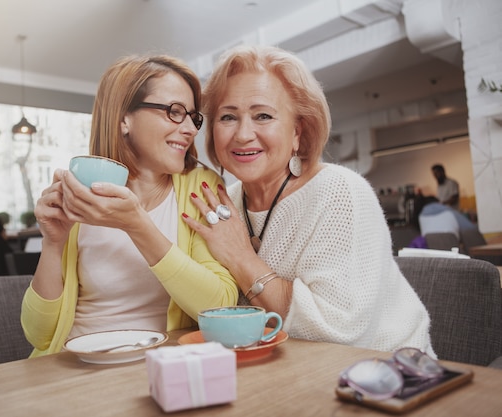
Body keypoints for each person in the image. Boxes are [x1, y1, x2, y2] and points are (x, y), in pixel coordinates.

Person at [183, 44, 435, 355]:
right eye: (228, 117)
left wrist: (241, 257)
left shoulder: (340, 192)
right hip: (277, 368)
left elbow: (336, 332)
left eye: (263, 115)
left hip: (384, 374)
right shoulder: (221, 203)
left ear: (297, 132)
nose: (243, 134)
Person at [20, 54, 238, 357]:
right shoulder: (82, 192)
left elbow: (220, 305)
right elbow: (40, 336)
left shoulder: (199, 188)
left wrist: (138, 225)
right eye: (175, 112)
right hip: (72, 367)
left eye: (193, 116)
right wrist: (53, 243)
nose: (190, 128)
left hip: (156, 364)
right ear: (124, 118)